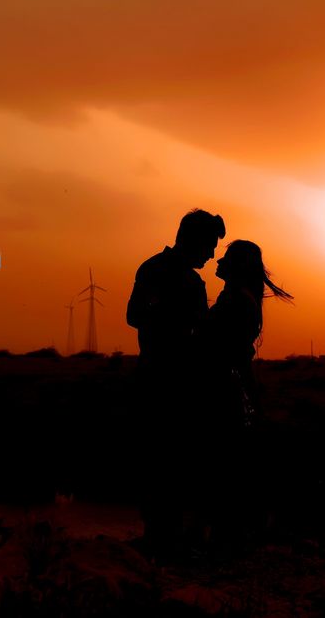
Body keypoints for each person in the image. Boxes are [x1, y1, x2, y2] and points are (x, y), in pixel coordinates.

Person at [126, 208, 225, 560]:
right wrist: (177, 324)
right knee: (162, 461)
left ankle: (167, 537)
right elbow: (135, 315)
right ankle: (160, 539)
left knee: (175, 463)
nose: (212, 254)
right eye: (210, 245)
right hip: (162, 382)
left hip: (179, 383)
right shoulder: (157, 272)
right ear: (192, 239)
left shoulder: (182, 278)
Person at [190, 240, 292, 549]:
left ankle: (229, 535)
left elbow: (234, 354)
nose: (218, 261)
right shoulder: (237, 299)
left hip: (221, 389)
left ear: (238, 265)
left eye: (227, 258)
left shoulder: (238, 302)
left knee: (224, 464)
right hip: (223, 387)